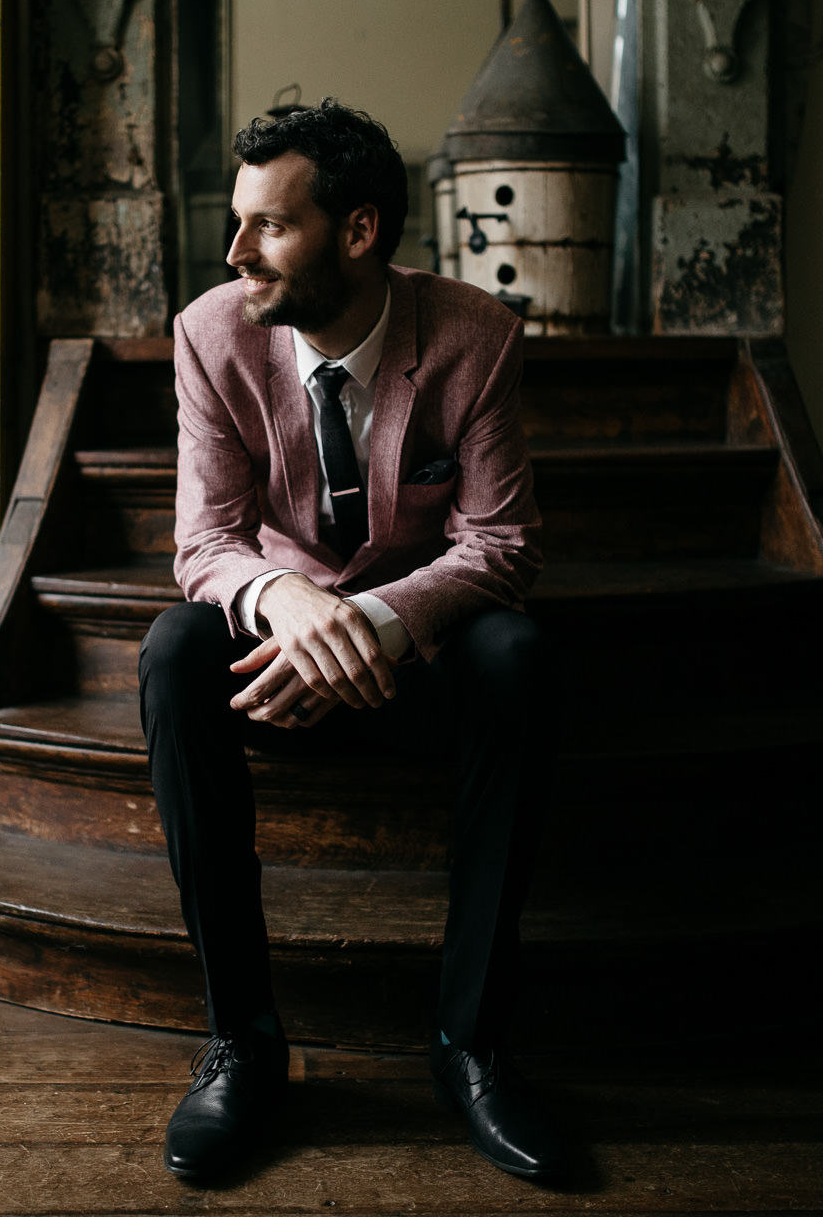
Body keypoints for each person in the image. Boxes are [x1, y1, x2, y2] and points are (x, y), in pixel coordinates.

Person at [140, 98, 559, 1183]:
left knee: (518, 652)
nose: (236, 253)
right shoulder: (210, 333)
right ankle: (246, 1043)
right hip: (277, 651)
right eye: (237, 223)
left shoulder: (477, 337)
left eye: (268, 226)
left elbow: (501, 544)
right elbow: (206, 541)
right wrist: (289, 602)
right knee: (173, 651)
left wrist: (368, 621)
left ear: (360, 231)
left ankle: (473, 1045)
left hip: (418, 649)